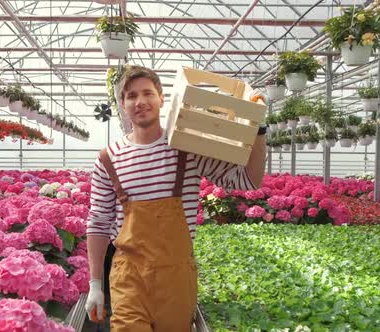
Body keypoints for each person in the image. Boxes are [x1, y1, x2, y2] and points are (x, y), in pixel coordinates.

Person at [85, 65, 266, 332]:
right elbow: (98, 222)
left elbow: (248, 180)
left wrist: (259, 129)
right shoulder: (108, 159)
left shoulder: (187, 149)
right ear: (122, 104)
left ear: (161, 98)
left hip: (177, 278)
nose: (140, 101)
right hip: (129, 277)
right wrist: (95, 285)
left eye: (147, 93)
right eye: (131, 96)